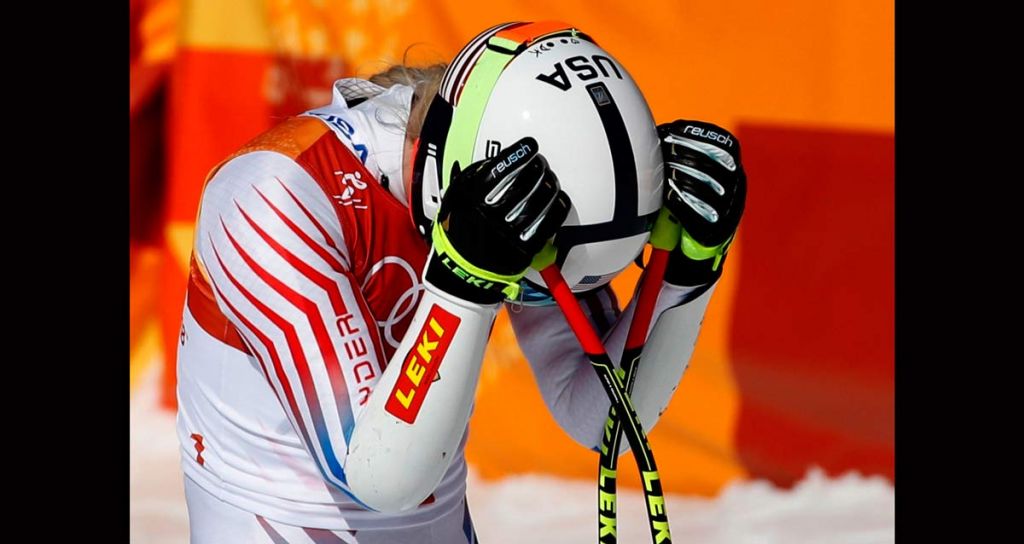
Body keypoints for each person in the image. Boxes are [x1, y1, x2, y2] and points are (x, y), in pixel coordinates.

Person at [175, 20, 746, 543]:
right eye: (530, 282)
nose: (531, 297)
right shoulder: (272, 194)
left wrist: (685, 274)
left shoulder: (501, 179)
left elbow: (604, 420)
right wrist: (463, 286)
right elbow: (378, 478)